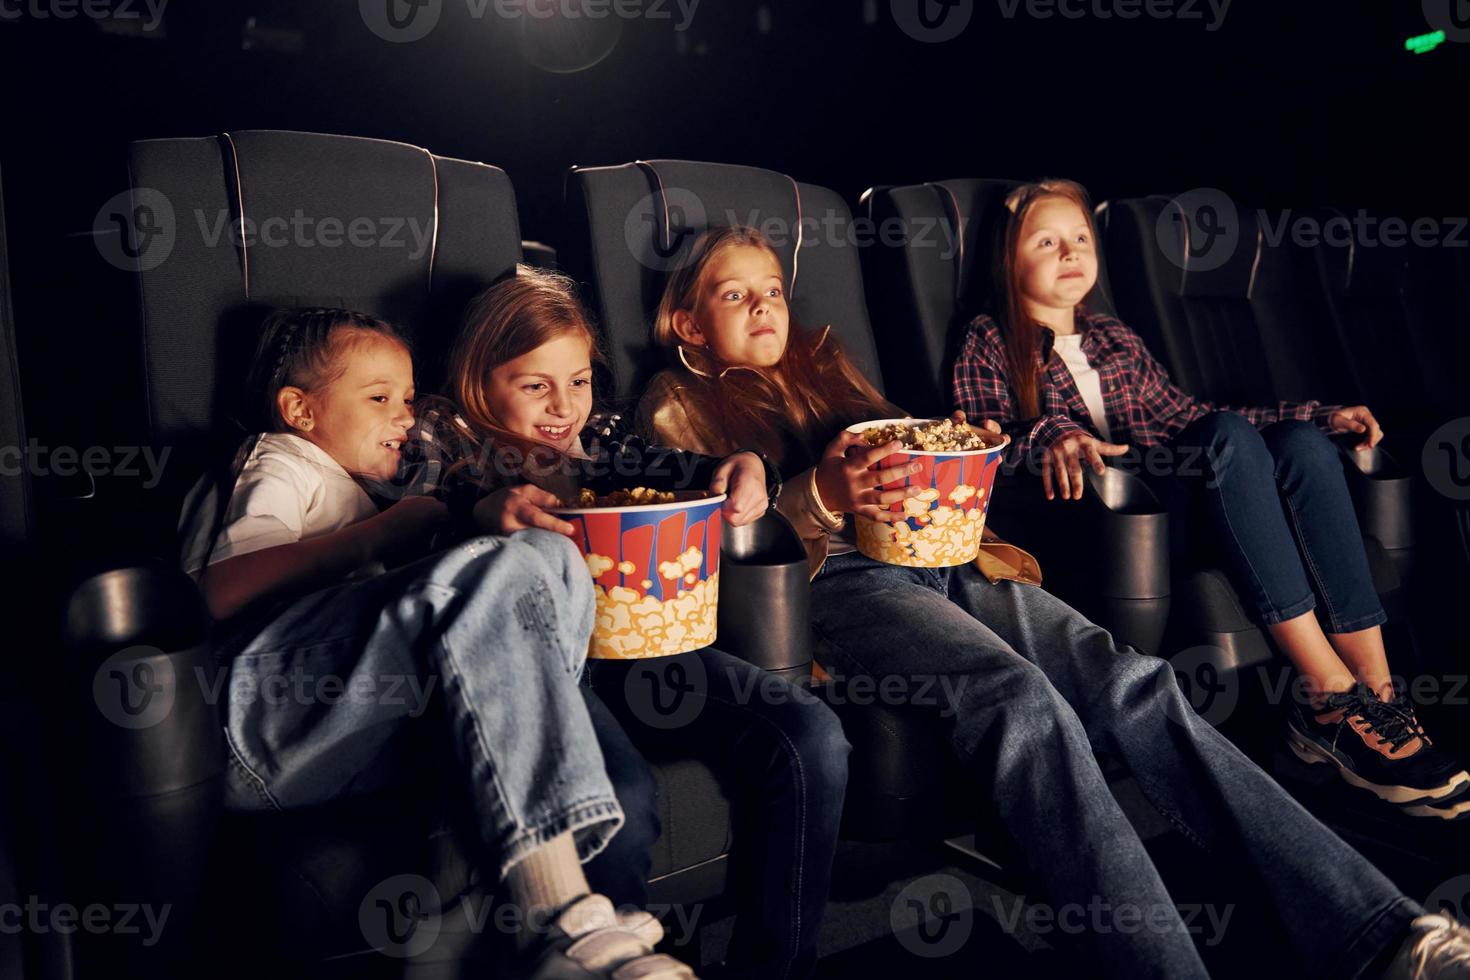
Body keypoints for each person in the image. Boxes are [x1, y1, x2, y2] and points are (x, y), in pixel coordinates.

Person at [636, 224, 1470, 979]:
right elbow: (705, 539)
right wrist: (815, 489)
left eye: (773, 288)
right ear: (688, 324)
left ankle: (1379, 932)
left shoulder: (823, 364)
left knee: (1134, 681)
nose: (764, 305)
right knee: (1020, 700)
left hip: (954, 557)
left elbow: (922, 440)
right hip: (839, 587)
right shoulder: (677, 405)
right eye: (734, 294)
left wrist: (944, 465)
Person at [179, 306, 692, 979]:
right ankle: (560, 919)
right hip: (254, 723)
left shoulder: (362, 493)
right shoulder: (280, 459)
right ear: (299, 410)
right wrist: (377, 536)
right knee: (485, 572)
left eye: (409, 399)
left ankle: (468, 911)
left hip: (347, 731)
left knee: (546, 551)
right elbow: (215, 594)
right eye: (379, 399)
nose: (403, 417)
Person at [951, 178, 1468, 817]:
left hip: (1174, 495)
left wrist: (1316, 414)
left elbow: (1187, 417)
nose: (1071, 253)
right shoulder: (989, 339)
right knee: (1224, 437)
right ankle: (1327, 698)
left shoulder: (1115, 339)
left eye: (1080, 238)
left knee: (1302, 445)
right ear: (1009, 259)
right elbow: (977, 435)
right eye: (1047, 241)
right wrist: (1048, 434)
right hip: (1104, 521)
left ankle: (1378, 696)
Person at [404, 267, 850, 980]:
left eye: (578, 381)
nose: (563, 407)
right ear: (477, 381)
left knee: (812, 738)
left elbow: (687, 470)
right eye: (534, 385)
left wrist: (744, 466)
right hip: (529, 671)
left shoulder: (601, 438)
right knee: (621, 794)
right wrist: (477, 514)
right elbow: (407, 530)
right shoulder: (443, 438)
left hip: (640, 649)